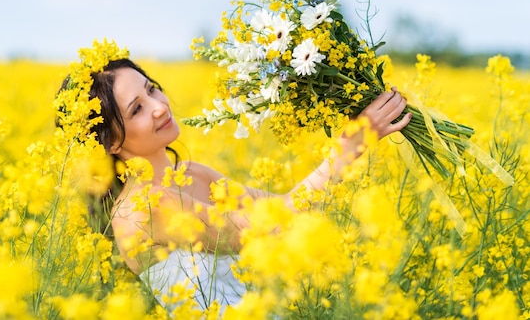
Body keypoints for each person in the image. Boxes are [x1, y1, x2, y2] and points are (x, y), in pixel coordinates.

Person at [61, 57, 412, 313]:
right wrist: (350, 145)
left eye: (152, 89)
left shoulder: (193, 173)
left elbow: (281, 207)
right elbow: (261, 227)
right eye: (137, 108)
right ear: (111, 144)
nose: (158, 106)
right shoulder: (143, 207)